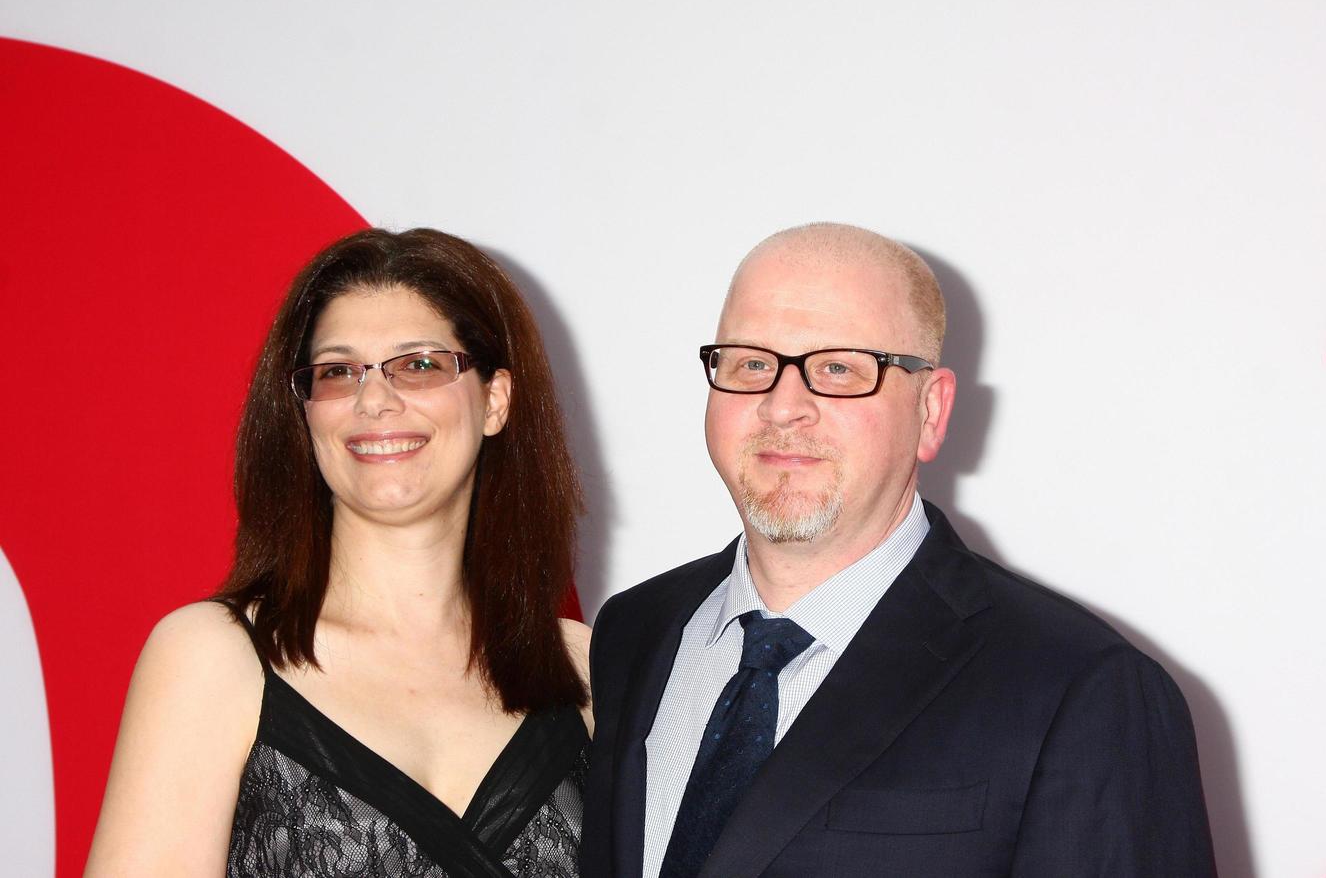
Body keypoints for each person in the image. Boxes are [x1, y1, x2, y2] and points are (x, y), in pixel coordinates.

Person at [581, 222, 1216, 877]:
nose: (783, 405)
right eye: (751, 364)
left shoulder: (1080, 688)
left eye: (837, 368)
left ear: (932, 412)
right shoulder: (635, 632)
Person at [86, 228, 591, 878]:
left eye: (419, 364)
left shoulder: (583, 669)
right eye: (337, 372)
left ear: (494, 399)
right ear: (303, 413)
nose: (373, 399)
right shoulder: (213, 658)